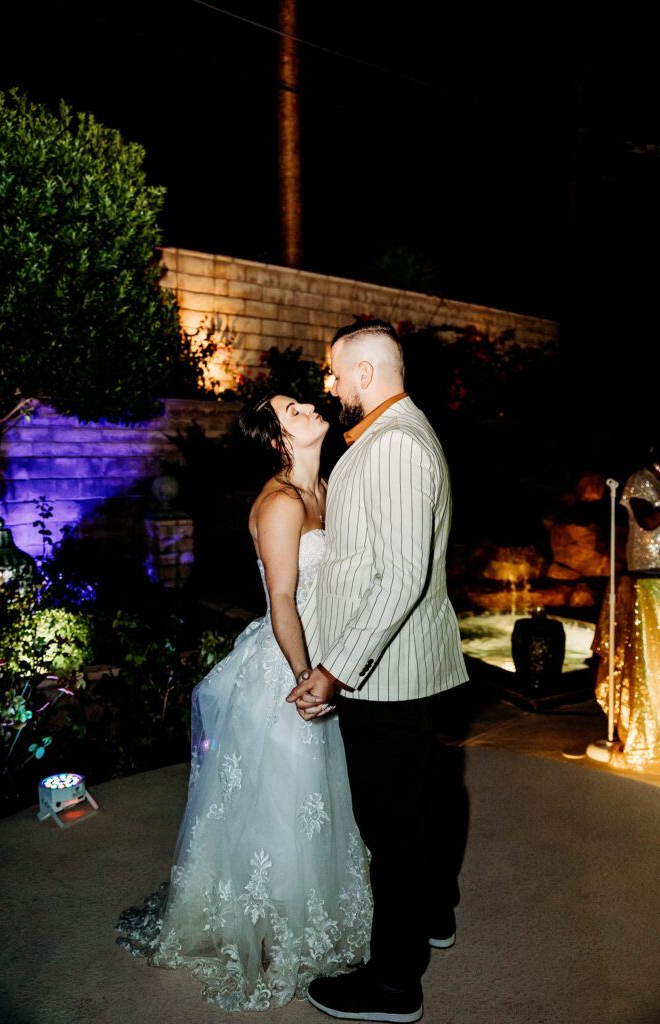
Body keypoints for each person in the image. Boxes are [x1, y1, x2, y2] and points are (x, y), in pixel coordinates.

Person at [116, 393, 372, 1010]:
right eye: (292, 409)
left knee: (320, 799)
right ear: (278, 437)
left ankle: (308, 910)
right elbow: (283, 600)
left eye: (304, 401)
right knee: (285, 798)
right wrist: (307, 675)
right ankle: (264, 927)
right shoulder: (282, 503)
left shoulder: (330, 486)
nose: (309, 406)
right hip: (288, 667)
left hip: (332, 658)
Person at [288, 320, 469, 1023]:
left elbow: (397, 579)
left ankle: (393, 985)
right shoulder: (388, 436)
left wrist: (334, 670)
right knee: (418, 808)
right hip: (400, 668)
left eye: (334, 374)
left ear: (365, 373)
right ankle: (432, 915)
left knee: (389, 832)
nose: (329, 386)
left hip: (384, 675)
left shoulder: (393, 445)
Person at [594, 442, 660, 766]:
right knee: (649, 660)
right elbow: (647, 520)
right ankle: (646, 735)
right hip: (649, 579)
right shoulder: (641, 480)